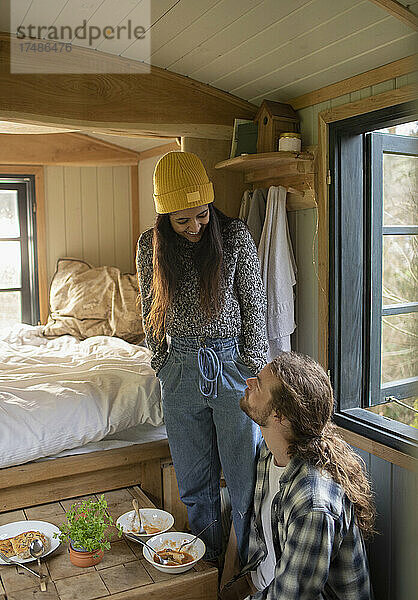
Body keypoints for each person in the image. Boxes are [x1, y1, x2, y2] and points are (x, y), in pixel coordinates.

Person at [136, 151, 268, 565]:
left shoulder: (235, 236)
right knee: (194, 481)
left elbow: (255, 305)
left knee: (245, 476)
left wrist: (251, 366)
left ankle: (244, 567)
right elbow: (148, 306)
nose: (195, 227)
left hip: (231, 367)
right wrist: (161, 361)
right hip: (179, 367)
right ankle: (208, 566)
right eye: (183, 220)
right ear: (165, 219)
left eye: (201, 215)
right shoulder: (149, 245)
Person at [220, 351, 375, 600]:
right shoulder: (268, 451)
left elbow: (289, 598)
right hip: (259, 585)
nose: (248, 381)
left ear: (279, 415)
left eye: (258, 384)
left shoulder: (312, 503)